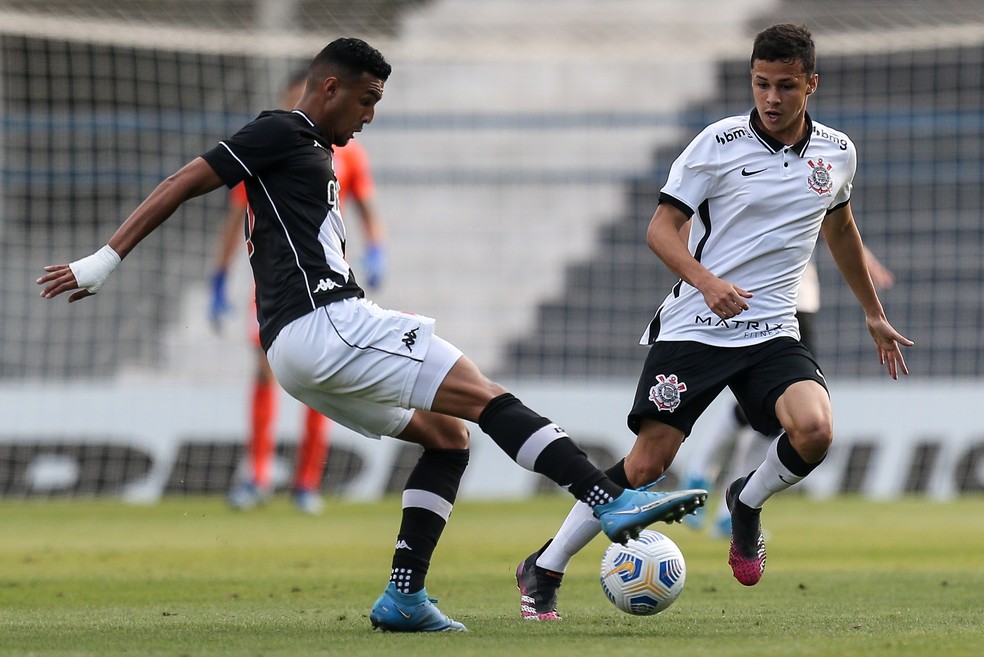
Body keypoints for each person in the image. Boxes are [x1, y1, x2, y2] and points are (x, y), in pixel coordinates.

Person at [38, 37, 707, 633]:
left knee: (448, 437)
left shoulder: (311, 149)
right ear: (330, 87)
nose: (370, 115)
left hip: (301, 347)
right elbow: (187, 179)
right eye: (366, 99)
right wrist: (105, 259)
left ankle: (403, 596)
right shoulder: (281, 129)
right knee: (484, 393)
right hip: (326, 322)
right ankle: (609, 501)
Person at [514, 23, 912, 621]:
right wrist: (707, 282)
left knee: (815, 429)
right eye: (760, 84)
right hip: (696, 325)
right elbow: (659, 230)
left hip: (773, 328)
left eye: (785, 86)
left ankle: (745, 504)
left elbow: (840, 230)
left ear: (811, 84)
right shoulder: (717, 144)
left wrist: (874, 316)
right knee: (648, 463)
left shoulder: (837, 152)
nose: (771, 99)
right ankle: (544, 566)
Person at [209, 71, 387, 515]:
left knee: (320, 377)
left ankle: (307, 483)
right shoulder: (268, 146)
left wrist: (378, 249)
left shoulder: (346, 152)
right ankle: (258, 476)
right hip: (274, 283)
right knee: (265, 372)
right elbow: (236, 215)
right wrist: (218, 276)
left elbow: (366, 205)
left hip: (325, 282)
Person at [682, 251, 894, 538]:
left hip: (777, 299)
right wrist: (862, 257)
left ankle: (721, 505)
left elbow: (833, 221)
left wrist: (863, 255)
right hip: (786, 302)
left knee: (767, 413)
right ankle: (703, 478)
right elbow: (834, 223)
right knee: (778, 406)